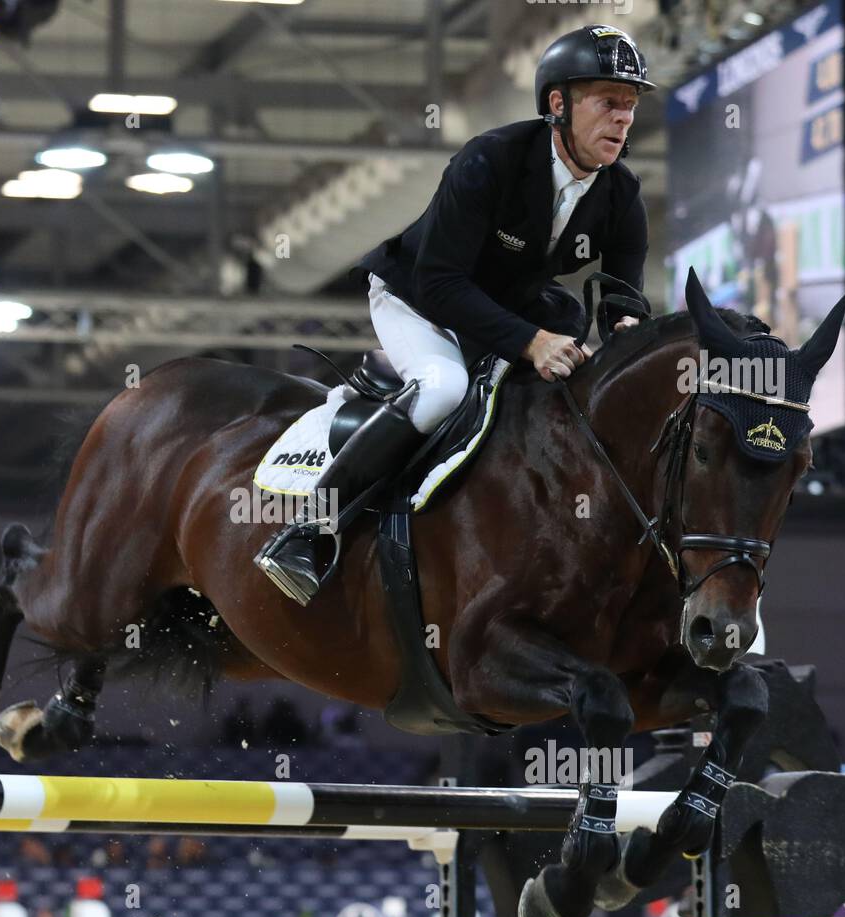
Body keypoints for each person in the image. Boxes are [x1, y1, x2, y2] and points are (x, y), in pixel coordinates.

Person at [256, 25, 655, 605]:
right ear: (558, 104)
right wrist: (530, 342)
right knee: (444, 388)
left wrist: (627, 340)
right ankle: (309, 531)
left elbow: (622, 298)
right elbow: (440, 283)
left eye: (631, 106)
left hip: (507, 307)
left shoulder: (621, 193)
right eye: (609, 102)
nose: (623, 119)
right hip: (417, 297)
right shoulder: (490, 160)